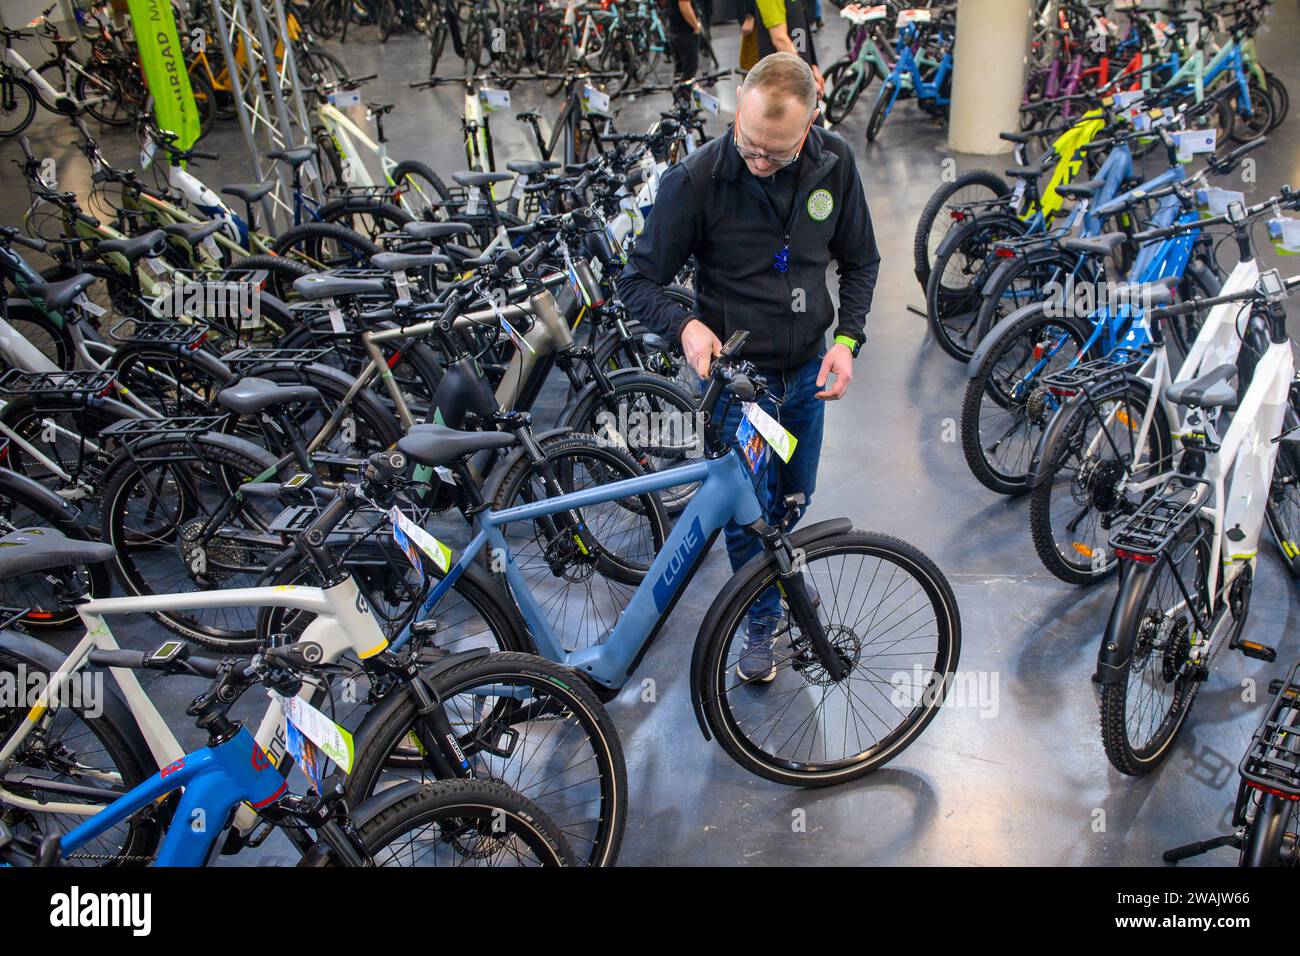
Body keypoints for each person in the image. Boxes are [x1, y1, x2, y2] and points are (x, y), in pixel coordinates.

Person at [617, 53, 880, 682]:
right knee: (749, 514)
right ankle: (760, 616)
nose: (759, 160)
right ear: (740, 106)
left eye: (777, 153)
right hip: (740, 388)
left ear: (812, 120)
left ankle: (779, 576)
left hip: (808, 374)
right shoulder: (697, 180)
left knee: (792, 497)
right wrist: (686, 325)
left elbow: (861, 261)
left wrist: (847, 339)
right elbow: (637, 281)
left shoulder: (836, 164)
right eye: (750, 145)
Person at [752, 0, 824, 95]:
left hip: (799, 74)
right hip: (783, 82)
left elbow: (799, 29)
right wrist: (806, 78)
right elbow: (780, 39)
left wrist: (811, 65)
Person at [667, 0, 703, 80]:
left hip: (674, 30)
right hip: (686, 32)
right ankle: (684, 91)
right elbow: (685, 8)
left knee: (679, 72)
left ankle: (680, 90)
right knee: (688, 74)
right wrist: (696, 26)